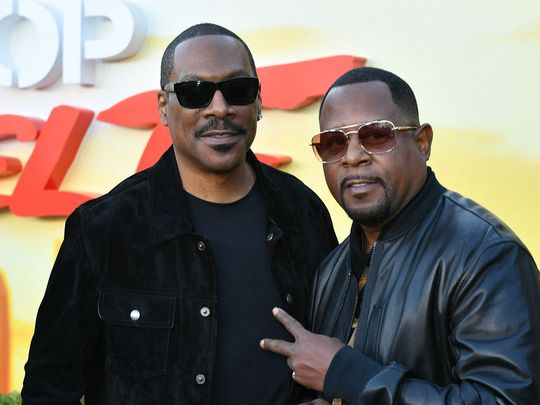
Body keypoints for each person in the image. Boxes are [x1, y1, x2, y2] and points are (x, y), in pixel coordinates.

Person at [22, 23, 337, 404]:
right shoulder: (103, 229)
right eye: (195, 93)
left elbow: (332, 348)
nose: (219, 108)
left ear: (257, 100)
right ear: (163, 108)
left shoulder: (303, 213)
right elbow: (50, 385)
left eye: (237, 90)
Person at [260, 67, 540, 404]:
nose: (352, 156)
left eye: (376, 135)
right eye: (334, 143)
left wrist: (347, 376)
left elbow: (506, 400)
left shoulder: (485, 256)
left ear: (422, 143)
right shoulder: (331, 269)